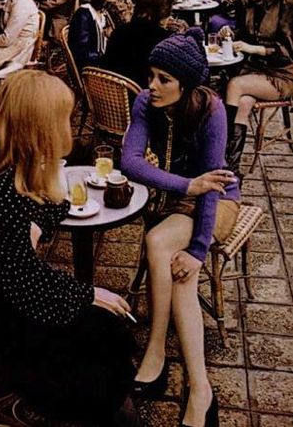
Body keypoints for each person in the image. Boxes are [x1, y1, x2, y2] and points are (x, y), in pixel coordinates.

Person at [0, 69, 137, 425]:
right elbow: (25, 286)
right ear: (42, 130)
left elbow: (52, 206)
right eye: (63, 120)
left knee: (107, 330)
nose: (70, 128)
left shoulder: (2, 168)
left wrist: (36, 220)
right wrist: (87, 294)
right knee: (106, 334)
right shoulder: (1, 193)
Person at [121, 28, 240, 427]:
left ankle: (166, 362)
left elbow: (213, 185)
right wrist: (185, 185)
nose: (152, 86)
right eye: (150, 75)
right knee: (164, 250)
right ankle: (197, 390)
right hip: (182, 194)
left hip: (218, 201)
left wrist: (199, 249)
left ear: (185, 83)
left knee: (171, 255)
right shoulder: (145, 101)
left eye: (163, 79)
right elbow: (130, 163)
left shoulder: (212, 110)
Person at [222, 0, 293, 178]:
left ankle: (223, 160)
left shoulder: (285, 5)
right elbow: (243, 36)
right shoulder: (246, 3)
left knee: (234, 85)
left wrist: (254, 49)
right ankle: (231, 170)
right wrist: (229, 34)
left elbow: (288, 52)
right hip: (255, 71)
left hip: (282, 73)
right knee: (242, 103)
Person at [104, 0, 183, 86]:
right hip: (149, 96)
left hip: (114, 97)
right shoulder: (166, 41)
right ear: (164, 13)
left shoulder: (118, 32)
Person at [68, 0, 118, 70]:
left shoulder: (103, 11)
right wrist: (108, 58)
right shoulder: (84, 16)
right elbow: (82, 56)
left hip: (103, 67)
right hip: (92, 75)